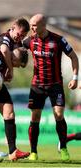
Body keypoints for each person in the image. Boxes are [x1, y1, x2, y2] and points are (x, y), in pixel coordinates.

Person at [23, 14, 79, 161]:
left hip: (55, 85)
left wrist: (75, 78)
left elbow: (74, 57)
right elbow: (13, 48)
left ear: (43, 25)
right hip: (37, 85)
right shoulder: (29, 40)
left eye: (34, 25)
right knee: (35, 117)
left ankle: (64, 148)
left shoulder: (58, 40)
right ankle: (33, 152)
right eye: (31, 25)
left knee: (59, 115)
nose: (32, 28)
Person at [0, 17, 30, 161]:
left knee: (9, 113)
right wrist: (10, 70)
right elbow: (4, 50)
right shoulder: (5, 38)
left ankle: (13, 152)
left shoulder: (17, 41)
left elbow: (24, 47)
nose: (20, 37)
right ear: (12, 27)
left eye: (22, 36)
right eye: (19, 33)